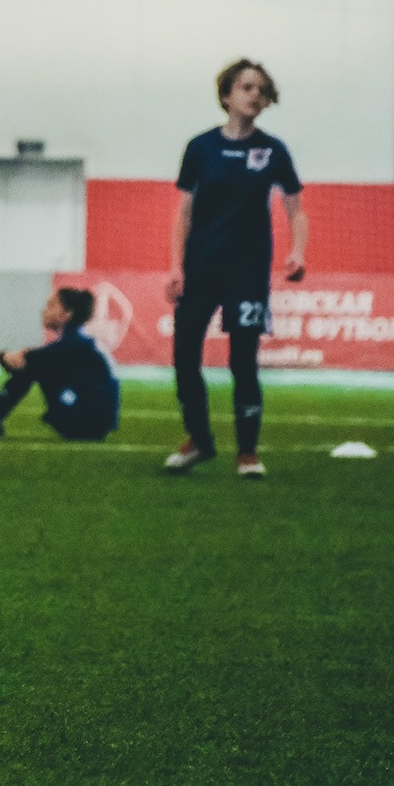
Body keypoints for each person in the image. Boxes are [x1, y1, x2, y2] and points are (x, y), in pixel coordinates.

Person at [163, 59, 306, 478]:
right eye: (246, 87)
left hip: (247, 271)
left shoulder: (273, 150)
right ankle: (199, 441)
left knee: (244, 360)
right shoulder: (200, 147)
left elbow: (296, 210)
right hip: (200, 268)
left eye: (261, 89)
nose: (255, 95)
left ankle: (248, 452)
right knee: (184, 357)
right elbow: (183, 213)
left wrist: (298, 251)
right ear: (226, 96)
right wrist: (175, 266)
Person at [0, 287, 119, 441]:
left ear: (67, 313)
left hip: (87, 422)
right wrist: (9, 357)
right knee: (36, 365)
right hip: (93, 420)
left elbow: (31, 360)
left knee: (34, 367)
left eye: (52, 305)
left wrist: (9, 356)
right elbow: (35, 357)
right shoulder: (78, 342)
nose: (44, 310)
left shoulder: (74, 343)